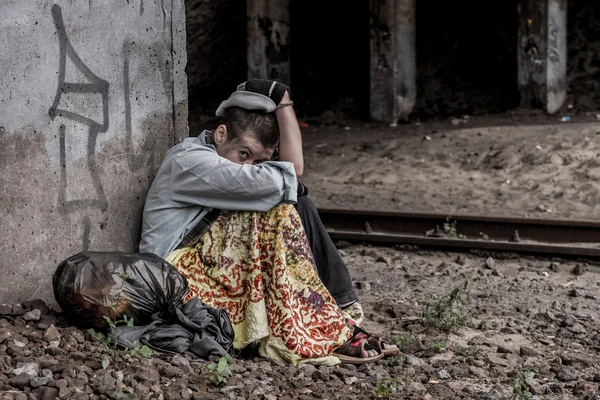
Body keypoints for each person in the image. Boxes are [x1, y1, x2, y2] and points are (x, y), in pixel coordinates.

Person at [139, 79, 398, 365]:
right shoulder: (190, 162)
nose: (246, 167)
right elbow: (293, 170)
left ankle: (334, 319)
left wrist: (283, 101)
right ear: (221, 134)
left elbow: (288, 175)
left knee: (295, 204)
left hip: (206, 265)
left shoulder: (217, 160)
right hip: (173, 277)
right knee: (281, 209)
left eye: (257, 162)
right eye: (244, 154)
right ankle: (321, 327)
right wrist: (281, 102)